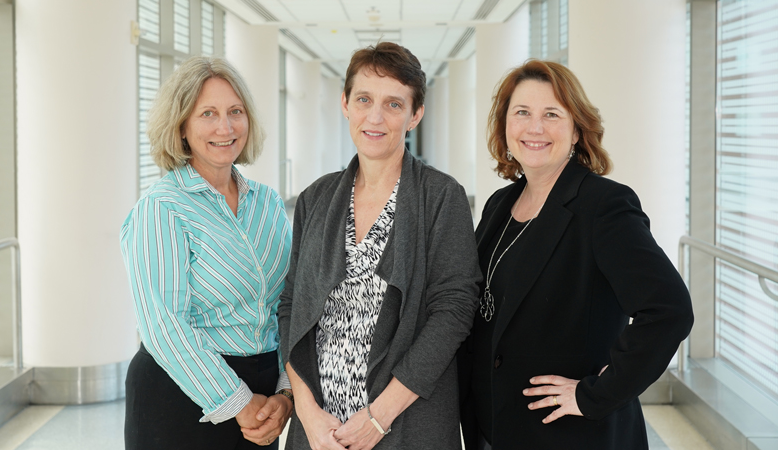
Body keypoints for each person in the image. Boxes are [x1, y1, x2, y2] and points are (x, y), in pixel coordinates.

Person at [458, 60, 694, 449]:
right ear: (505, 125)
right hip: (496, 429)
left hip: (570, 434)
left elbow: (669, 310)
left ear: (576, 130)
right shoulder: (501, 204)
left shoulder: (603, 206)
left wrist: (594, 394)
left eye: (551, 114)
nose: (535, 128)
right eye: (522, 113)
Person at [277, 42, 482, 450]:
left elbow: (454, 311)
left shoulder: (441, 197)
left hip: (404, 423)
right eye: (364, 99)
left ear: (414, 115)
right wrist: (306, 412)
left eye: (393, 104)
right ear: (345, 104)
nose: (375, 117)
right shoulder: (316, 199)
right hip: (321, 431)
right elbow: (289, 307)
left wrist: (378, 417)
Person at [120, 56, 293, 450]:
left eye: (235, 112)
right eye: (208, 114)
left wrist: (285, 392)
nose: (225, 127)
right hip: (181, 396)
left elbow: (289, 302)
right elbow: (164, 326)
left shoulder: (267, 203)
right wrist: (239, 402)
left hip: (264, 400)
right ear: (181, 126)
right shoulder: (162, 208)